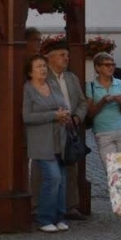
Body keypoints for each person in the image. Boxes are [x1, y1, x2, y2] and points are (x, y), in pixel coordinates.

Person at [23, 54, 72, 232]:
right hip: (41, 141)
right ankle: (44, 218)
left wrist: (64, 114)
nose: (43, 69)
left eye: (44, 66)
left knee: (62, 179)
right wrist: (53, 115)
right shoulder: (27, 90)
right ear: (30, 71)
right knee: (53, 177)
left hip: (59, 139)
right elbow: (26, 117)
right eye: (38, 66)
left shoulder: (52, 85)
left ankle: (59, 216)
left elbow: (63, 105)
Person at [45, 41, 89, 219]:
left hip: (70, 127)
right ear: (50, 57)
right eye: (62, 55)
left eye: (67, 55)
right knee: (47, 168)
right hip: (51, 127)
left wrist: (77, 117)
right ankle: (41, 207)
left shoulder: (71, 78)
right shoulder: (43, 77)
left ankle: (70, 206)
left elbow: (82, 101)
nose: (66, 58)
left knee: (71, 165)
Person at [86, 52, 121, 162]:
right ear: (97, 67)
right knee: (111, 170)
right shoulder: (91, 86)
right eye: (107, 65)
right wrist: (102, 102)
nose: (111, 67)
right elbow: (90, 113)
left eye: (113, 64)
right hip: (103, 133)